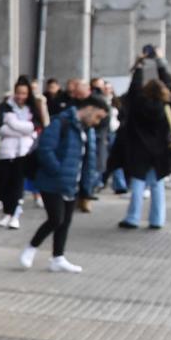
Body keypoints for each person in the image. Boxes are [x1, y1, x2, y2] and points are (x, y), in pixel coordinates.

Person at [20, 92, 103, 274]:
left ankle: (58, 257)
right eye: (98, 116)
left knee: (65, 221)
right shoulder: (61, 123)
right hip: (52, 181)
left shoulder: (85, 129)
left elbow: (88, 158)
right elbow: (45, 148)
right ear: (89, 109)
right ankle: (31, 248)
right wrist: (57, 170)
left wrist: (87, 185)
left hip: (72, 181)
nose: (97, 121)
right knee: (56, 218)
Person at [116, 67, 171, 231]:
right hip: (160, 150)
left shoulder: (138, 104)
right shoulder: (167, 106)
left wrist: (139, 67)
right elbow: (170, 83)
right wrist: (161, 64)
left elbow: (134, 88)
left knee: (138, 183)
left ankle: (133, 218)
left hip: (139, 149)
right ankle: (157, 220)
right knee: (157, 185)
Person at [0, 76, 41, 229]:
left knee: (18, 184)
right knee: (5, 182)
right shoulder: (5, 106)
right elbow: (1, 128)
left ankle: (15, 214)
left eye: (24, 94)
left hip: (24, 151)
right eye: (18, 93)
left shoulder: (32, 108)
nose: (20, 97)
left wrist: (14, 124)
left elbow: (35, 126)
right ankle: (6, 213)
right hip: (7, 151)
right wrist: (23, 129)